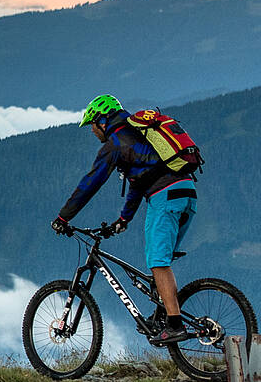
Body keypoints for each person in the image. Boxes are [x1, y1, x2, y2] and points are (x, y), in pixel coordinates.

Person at [51, 94, 198, 345]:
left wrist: (63, 217)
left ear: (102, 121)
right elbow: (141, 180)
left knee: (157, 261)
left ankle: (174, 325)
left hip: (164, 198)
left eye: (92, 126)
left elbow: (90, 183)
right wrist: (124, 218)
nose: (93, 132)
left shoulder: (116, 143)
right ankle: (164, 314)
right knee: (161, 261)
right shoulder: (138, 135)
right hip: (187, 194)